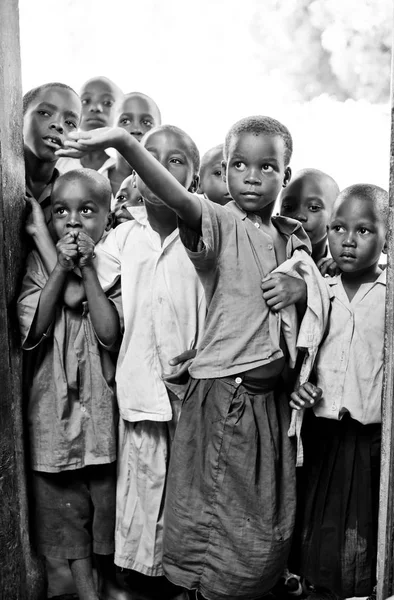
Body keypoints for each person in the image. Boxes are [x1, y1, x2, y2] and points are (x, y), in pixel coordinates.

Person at [57, 114, 312, 600]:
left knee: (258, 515)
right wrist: (125, 144)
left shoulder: (291, 236)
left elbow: (312, 306)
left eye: (266, 167)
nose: (251, 176)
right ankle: (199, 590)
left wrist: (300, 287)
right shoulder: (217, 220)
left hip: (271, 404)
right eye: (238, 164)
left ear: (287, 174)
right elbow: (173, 195)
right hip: (225, 398)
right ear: (224, 173)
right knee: (208, 514)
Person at [63, 125, 205, 598]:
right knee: (143, 491)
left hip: (195, 390)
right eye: (152, 157)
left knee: (191, 490)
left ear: (197, 176)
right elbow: (79, 289)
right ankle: (145, 581)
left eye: (176, 159)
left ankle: (187, 579)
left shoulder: (207, 229)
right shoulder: (126, 236)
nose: (160, 166)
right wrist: (73, 253)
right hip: (143, 387)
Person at [18, 169, 124, 600]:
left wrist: (83, 272)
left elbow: (109, 333)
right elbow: (35, 325)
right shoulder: (38, 265)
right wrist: (59, 266)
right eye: (61, 211)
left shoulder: (115, 262)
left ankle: (106, 586)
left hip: (102, 412)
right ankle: (86, 593)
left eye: (87, 211)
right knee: (63, 514)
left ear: (108, 217)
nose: (74, 222)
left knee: (105, 513)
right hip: (53, 412)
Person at [290, 184, 388, 598]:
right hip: (321, 433)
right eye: (338, 228)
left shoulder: (390, 295)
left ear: (388, 237)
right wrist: (300, 389)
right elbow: (301, 354)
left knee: (361, 533)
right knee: (315, 531)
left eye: (364, 230)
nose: (348, 240)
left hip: (368, 438)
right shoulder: (319, 290)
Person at [23, 82, 81, 225]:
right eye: (44, 113)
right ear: (18, 118)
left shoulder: (74, 195)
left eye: (70, 123)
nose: (58, 125)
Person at [57, 76, 123, 174]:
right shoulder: (58, 161)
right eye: (85, 101)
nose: (95, 108)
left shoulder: (127, 167)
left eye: (107, 103)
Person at [105, 92, 162, 197]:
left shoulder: (169, 188)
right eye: (125, 121)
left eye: (147, 123)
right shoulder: (91, 178)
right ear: (111, 128)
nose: (136, 129)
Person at [279, 168, 340, 265]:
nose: (299, 216)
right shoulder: (265, 262)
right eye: (288, 207)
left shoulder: (343, 272)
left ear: (335, 218)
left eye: (314, 207)